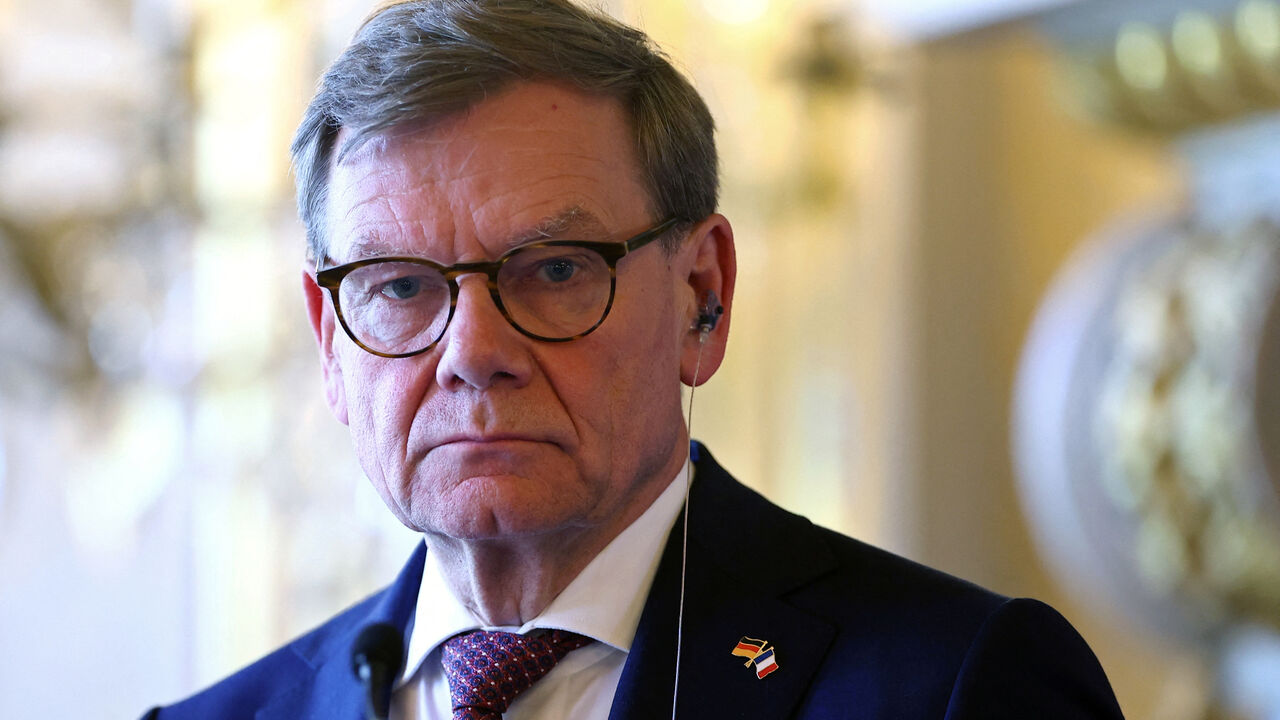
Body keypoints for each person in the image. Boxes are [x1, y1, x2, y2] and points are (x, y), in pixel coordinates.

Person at [143, 1, 1126, 718]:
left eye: (554, 269)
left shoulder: (957, 687)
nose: (474, 355)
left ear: (701, 296)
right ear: (329, 339)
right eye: (399, 287)